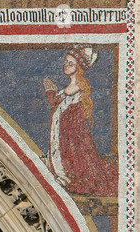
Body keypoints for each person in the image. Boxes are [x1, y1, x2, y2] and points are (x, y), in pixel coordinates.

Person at [42, 47, 118, 197]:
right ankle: (61, 173)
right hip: (60, 137)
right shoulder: (65, 89)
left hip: (73, 140)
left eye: (70, 63)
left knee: (79, 173)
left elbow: (71, 116)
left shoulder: (80, 88)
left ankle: (67, 176)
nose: (66, 65)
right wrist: (51, 95)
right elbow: (57, 110)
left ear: (78, 67)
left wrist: (54, 98)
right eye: (65, 62)